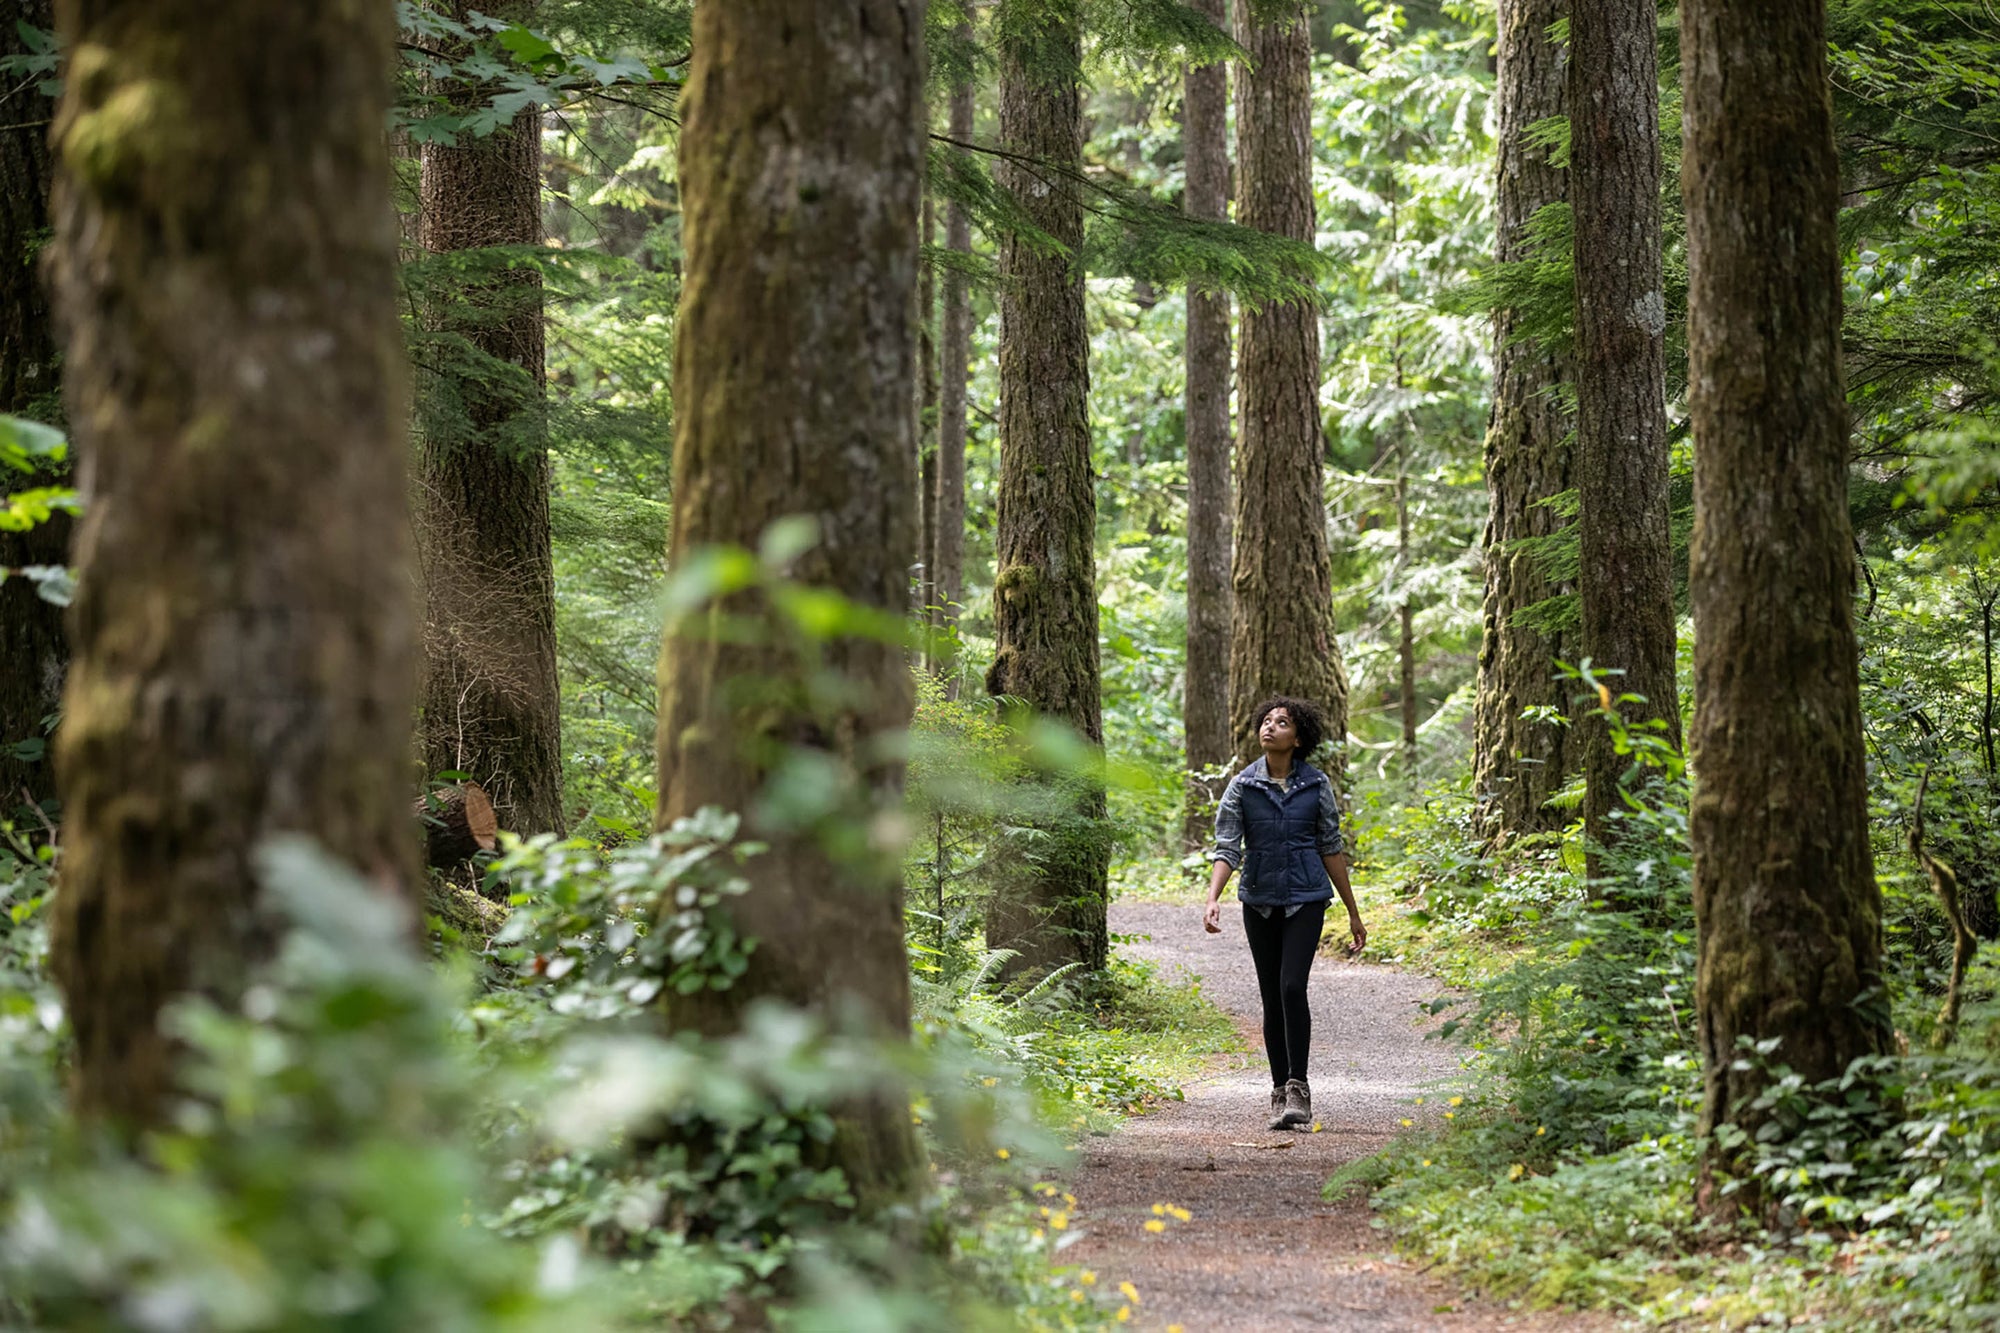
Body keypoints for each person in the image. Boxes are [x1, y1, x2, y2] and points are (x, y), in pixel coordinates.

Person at [1202, 697, 1365, 1130]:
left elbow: (1330, 846)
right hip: (1259, 900)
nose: (1270, 727)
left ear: (1298, 738)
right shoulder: (1242, 786)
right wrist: (1213, 897)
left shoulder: (1316, 785)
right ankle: (1279, 1093)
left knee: (1292, 986)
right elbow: (1227, 847)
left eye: (1282, 722)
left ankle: (1299, 1088)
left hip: (1306, 898)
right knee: (1271, 996)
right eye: (1267, 721)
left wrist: (1352, 911)